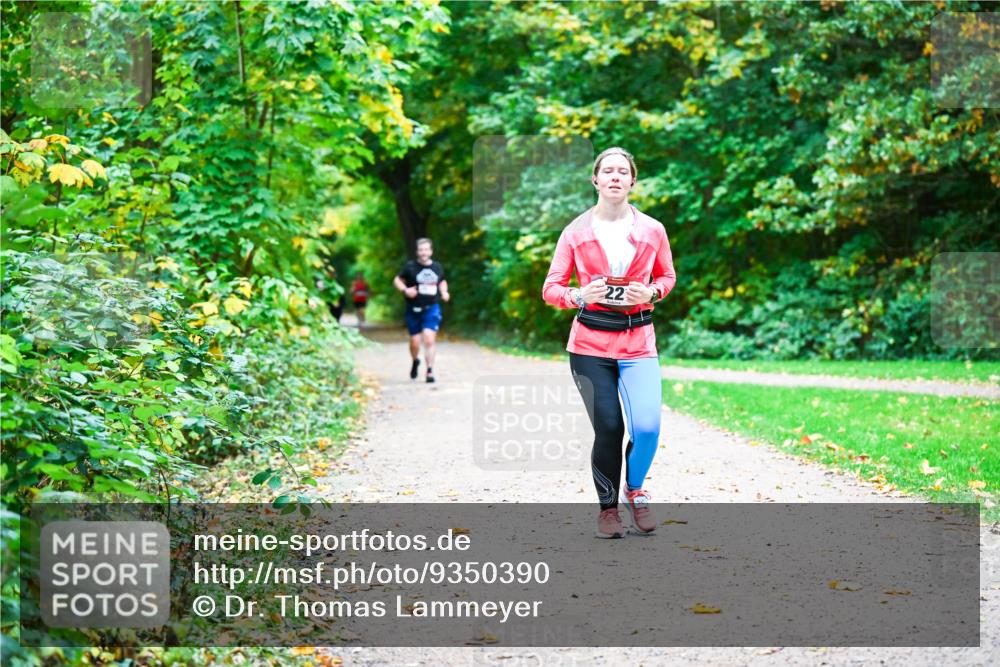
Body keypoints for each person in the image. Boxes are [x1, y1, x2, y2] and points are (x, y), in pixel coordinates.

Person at [542, 147, 676, 539]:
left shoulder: (653, 229)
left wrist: (650, 293)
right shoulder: (576, 231)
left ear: (632, 181)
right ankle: (608, 510)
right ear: (596, 180)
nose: (615, 177)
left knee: (648, 427)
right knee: (610, 427)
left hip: (638, 341)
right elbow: (551, 288)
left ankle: (635, 491)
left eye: (623, 171)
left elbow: (667, 277)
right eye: (608, 171)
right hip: (589, 345)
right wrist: (579, 296)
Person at [393, 238, 450, 383]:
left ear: (431, 251)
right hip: (413, 309)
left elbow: (442, 281)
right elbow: (397, 280)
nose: (424, 252)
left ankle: (429, 371)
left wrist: (444, 292)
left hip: (431, 308)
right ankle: (415, 361)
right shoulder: (410, 267)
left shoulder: (437, 267)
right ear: (417, 252)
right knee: (415, 342)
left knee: (429, 339)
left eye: (426, 249)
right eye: (421, 250)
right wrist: (405, 290)